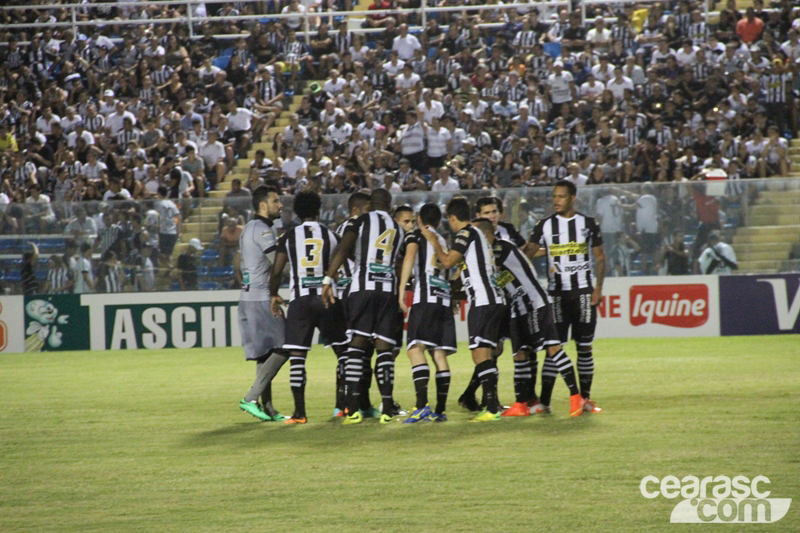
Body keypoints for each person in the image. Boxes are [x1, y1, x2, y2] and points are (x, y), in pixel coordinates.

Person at [322, 189, 405, 425]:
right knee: (384, 348)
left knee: (357, 345)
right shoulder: (399, 229)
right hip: (387, 289)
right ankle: (387, 407)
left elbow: (343, 248)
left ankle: (353, 409)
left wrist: (328, 278)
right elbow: (399, 262)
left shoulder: (359, 221)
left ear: (372, 204)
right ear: (389, 204)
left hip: (363, 287)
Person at [419, 199, 506, 422]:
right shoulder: (477, 235)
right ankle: (491, 405)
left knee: (480, 353)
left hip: (484, 300)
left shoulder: (466, 233)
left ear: (452, 217)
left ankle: (492, 408)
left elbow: (448, 262)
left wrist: (434, 241)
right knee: (485, 354)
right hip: (492, 298)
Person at [269, 191, 348, 425]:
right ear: (318, 210)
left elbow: (277, 270)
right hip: (327, 298)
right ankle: (341, 407)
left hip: (300, 300)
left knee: (297, 356)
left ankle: (299, 413)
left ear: (297, 212)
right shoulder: (331, 235)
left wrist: (273, 294)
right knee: (342, 353)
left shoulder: (288, 236)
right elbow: (342, 262)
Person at [527, 180, 605, 415]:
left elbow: (600, 257)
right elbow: (528, 252)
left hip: (583, 293)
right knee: (553, 347)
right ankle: (544, 402)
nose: (556, 201)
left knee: (584, 347)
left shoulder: (588, 224)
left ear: (572, 198)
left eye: (561, 196)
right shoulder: (544, 225)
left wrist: (598, 288)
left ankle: (586, 399)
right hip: (557, 295)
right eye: (554, 196)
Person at [493, 232, 583, 417]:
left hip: (535, 302)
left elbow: (486, 268)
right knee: (519, 354)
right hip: (518, 307)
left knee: (553, 348)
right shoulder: (493, 254)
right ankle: (521, 404)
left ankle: (576, 397)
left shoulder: (500, 247)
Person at [397, 203, 456, 423]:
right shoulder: (442, 240)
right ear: (439, 221)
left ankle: (422, 407)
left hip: (425, 298)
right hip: (443, 299)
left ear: (420, 220)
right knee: (438, 353)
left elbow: (409, 257)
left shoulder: (417, 235)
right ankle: (440, 410)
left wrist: (402, 290)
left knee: (415, 349)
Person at [237, 186, 289, 422]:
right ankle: (250, 398)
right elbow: (277, 264)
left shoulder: (249, 228)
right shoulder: (262, 230)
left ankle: (268, 408)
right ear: (263, 205)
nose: (280, 205)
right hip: (261, 298)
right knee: (286, 346)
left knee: (264, 354)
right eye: (276, 201)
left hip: (248, 297)